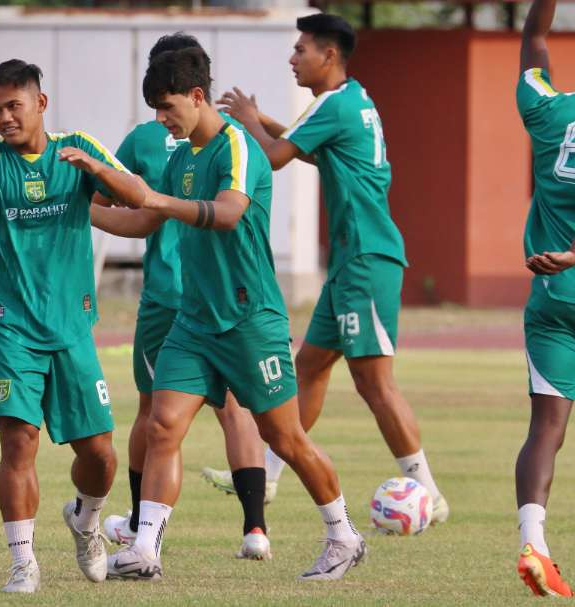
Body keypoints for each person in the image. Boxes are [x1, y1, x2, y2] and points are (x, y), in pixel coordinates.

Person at [102, 47, 364, 581]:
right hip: (193, 322)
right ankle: (144, 548)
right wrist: (79, 211)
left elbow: (227, 214)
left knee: (284, 439)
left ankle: (343, 535)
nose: (161, 120)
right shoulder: (179, 158)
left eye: (167, 106)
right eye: (154, 109)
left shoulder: (237, 146)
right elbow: (145, 223)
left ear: (197, 97)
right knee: (163, 424)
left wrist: (153, 199)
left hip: (249, 321)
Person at [210, 13, 448, 523]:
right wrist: (264, 122)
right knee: (310, 367)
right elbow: (310, 150)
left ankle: (428, 492)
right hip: (350, 261)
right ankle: (270, 477)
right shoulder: (350, 102)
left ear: (330, 55)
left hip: (367, 257)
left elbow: (274, 156)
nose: (292, 58)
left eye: (301, 50)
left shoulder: (336, 105)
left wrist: (249, 118)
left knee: (373, 382)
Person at [0, 59, 145, 594]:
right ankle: (23, 561)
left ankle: (88, 519)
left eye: (13, 106)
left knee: (99, 451)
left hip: (72, 326)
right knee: (18, 440)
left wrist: (95, 172)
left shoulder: (78, 148)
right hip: (9, 326)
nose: (4, 118)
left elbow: (137, 196)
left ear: (40, 104)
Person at [94, 33, 270, 562]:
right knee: (234, 410)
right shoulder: (197, 143)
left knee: (154, 414)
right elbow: (137, 209)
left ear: (190, 90)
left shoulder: (157, 142)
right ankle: (254, 529)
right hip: (214, 299)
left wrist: (88, 203)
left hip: (173, 296)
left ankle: (137, 525)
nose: (161, 109)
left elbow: (125, 204)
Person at [512, 0, 575, 596]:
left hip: (553, 296)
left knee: (546, 429)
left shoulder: (548, 109)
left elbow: (533, 34)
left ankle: (535, 541)